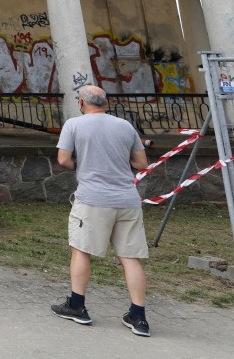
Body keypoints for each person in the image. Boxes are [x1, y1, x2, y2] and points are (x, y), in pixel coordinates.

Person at [51, 84, 151, 337]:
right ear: (105, 103)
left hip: (93, 200)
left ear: (82, 103)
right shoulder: (125, 126)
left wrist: (82, 164)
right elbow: (141, 163)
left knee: (81, 250)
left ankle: (77, 306)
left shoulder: (74, 124)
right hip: (127, 199)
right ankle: (138, 317)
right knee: (130, 257)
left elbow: (63, 159)